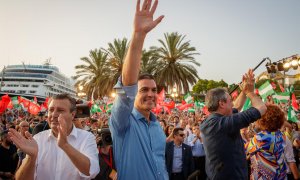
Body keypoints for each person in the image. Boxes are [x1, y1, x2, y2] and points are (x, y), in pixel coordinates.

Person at [108, 0, 167, 179]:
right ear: (134, 94)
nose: (151, 94)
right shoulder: (123, 121)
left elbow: (160, 162)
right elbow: (127, 86)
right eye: (143, 90)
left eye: (154, 90)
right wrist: (139, 35)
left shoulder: (158, 126)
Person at [8, 93, 100, 180]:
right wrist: (31, 157)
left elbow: (91, 171)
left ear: (72, 114)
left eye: (60, 110)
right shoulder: (38, 139)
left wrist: (65, 145)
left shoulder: (87, 138)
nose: (54, 114)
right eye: (51, 110)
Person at [200, 69, 267, 180]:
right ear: (221, 103)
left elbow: (237, 106)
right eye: (230, 100)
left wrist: (244, 91)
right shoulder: (220, 124)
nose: (232, 103)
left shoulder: (217, 120)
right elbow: (261, 108)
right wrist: (250, 92)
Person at [246, 104, 287, 179]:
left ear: (262, 119)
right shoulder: (281, 135)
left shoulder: (260, 138)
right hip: (280, 175)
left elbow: (245, 149)